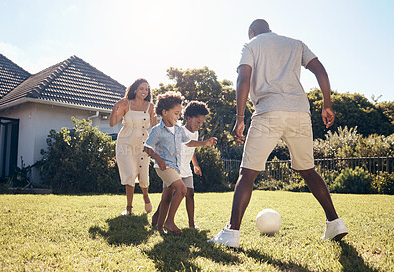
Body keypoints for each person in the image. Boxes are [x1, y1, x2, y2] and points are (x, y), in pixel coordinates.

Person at [208, 19, 348, 248]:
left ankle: (231, 233)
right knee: (308, 170)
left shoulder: (251, 45)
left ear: (252, 32)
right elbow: (320, 69)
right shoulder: (296, 44)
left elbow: (243, 78)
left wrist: (240, 118)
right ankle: (335, 222)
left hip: (268, 111)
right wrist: (327, 104)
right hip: (300, 112)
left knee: (248, 172)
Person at [144, 91, 217, 234]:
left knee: (166, 197)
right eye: (176, 114)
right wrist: (158, 158)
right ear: (164, 112)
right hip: (163, 166)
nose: (178, 117)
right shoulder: (157, 130)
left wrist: (204, 143)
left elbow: (189, 143)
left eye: (179, 114)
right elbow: (146, 148)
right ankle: (169, 222)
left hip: (175, 167)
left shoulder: (178, 130)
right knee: (182, 190)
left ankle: (159, 225)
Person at [110, 78, 157, 216]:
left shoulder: (151, 107)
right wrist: (115, 106)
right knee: (130, 172)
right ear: (135, 90)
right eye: (141, 88)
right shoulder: (126, 104)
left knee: (143, 175)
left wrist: (155, 145)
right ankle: (129, 207)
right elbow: (113, 123)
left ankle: (145, 196)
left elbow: (154, 127)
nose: (144, 91)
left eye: (146, 89)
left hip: (143, 143)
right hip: (125, 142)